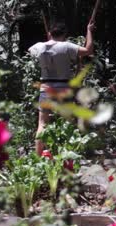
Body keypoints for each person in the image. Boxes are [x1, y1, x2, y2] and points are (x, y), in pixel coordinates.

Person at [29, 21, 95, 155]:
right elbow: (88, 50)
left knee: (42, 124)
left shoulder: (38, 47)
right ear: (64, 34)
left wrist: (48, 44)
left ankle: (38, 156)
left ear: (49, 33)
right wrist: (89, 30)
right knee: (67, 123)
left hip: (46, 88)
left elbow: (30, 51)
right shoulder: (67, 46)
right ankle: (65, 157)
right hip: (63, 89)